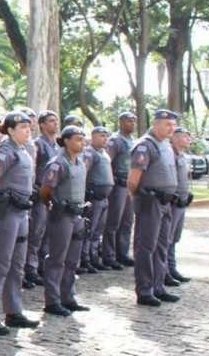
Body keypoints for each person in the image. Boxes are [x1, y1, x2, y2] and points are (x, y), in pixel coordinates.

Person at [0, 112, 40, 336]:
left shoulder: (23, 150)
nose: (27, 130)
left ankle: (13, 311)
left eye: (28, 127)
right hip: (7, 214)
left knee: (17, 265)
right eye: (22, 127)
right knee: (0, 265)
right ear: (11, 130)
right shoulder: (5, 151)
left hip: (22, 213)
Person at [128, 109, 181, 307]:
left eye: (174, 125)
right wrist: (140, 199)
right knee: (146, 247)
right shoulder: (145, 146)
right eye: (168, 125)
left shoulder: (165, 144)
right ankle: (145, 290)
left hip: (166, 202)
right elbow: (133, 180)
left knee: (162, 246)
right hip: (150, 202)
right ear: (156, 124)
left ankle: (158, 286)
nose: (171, 129)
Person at [39, 125, 91, 316]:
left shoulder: (80, 162)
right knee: (57, 259)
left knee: (72, 260)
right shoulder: (57, 163)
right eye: (78, 138)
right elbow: (45, 191)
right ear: (66, 140)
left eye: (83, 138)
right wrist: (55, 206)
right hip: (62, 216)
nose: (82, 142)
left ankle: (68, 297)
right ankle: (52, 301)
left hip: (77, 214)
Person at [24, 110, 59, 288]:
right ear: (43, 125)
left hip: (52, 194)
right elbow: (33, 168)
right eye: (51, 121)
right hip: (40, 193)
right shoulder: (39, 144)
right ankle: (30, 268)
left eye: (56, 120)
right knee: (35, 232)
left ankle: (41, 266)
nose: (55, 124)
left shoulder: (57, 145)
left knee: (46, 233)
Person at [102, 111, 137, 269]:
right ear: (121, 122)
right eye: (129, 121)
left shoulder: (133, 141)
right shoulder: (115, 141)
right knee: (113, 221)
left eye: (133, 121)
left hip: (129, 186)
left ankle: (122, 253)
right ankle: (109, 255)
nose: (132, 124)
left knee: (128, 221)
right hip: (118, 185)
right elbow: (107, 162)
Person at [79, 127, 114, 273]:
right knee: (89, 229)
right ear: (92, 137)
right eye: (101, 136)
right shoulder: (89, 152)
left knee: (98, 231)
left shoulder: (104, 153)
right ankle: (84, 259)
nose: (105, 138)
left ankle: (94, 258)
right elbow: (83, 172)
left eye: (106, 136)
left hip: (105, 198)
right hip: (94, 197)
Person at [166, 127, 194, 285]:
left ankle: (172, 268)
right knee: (167, 238)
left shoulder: (183, 156)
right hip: (173, 202)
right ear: (175, 138)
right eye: (185, 137)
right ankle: (164, 271)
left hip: (182, 202)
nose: (188, 140)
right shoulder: (171, 155)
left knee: (174, 238)